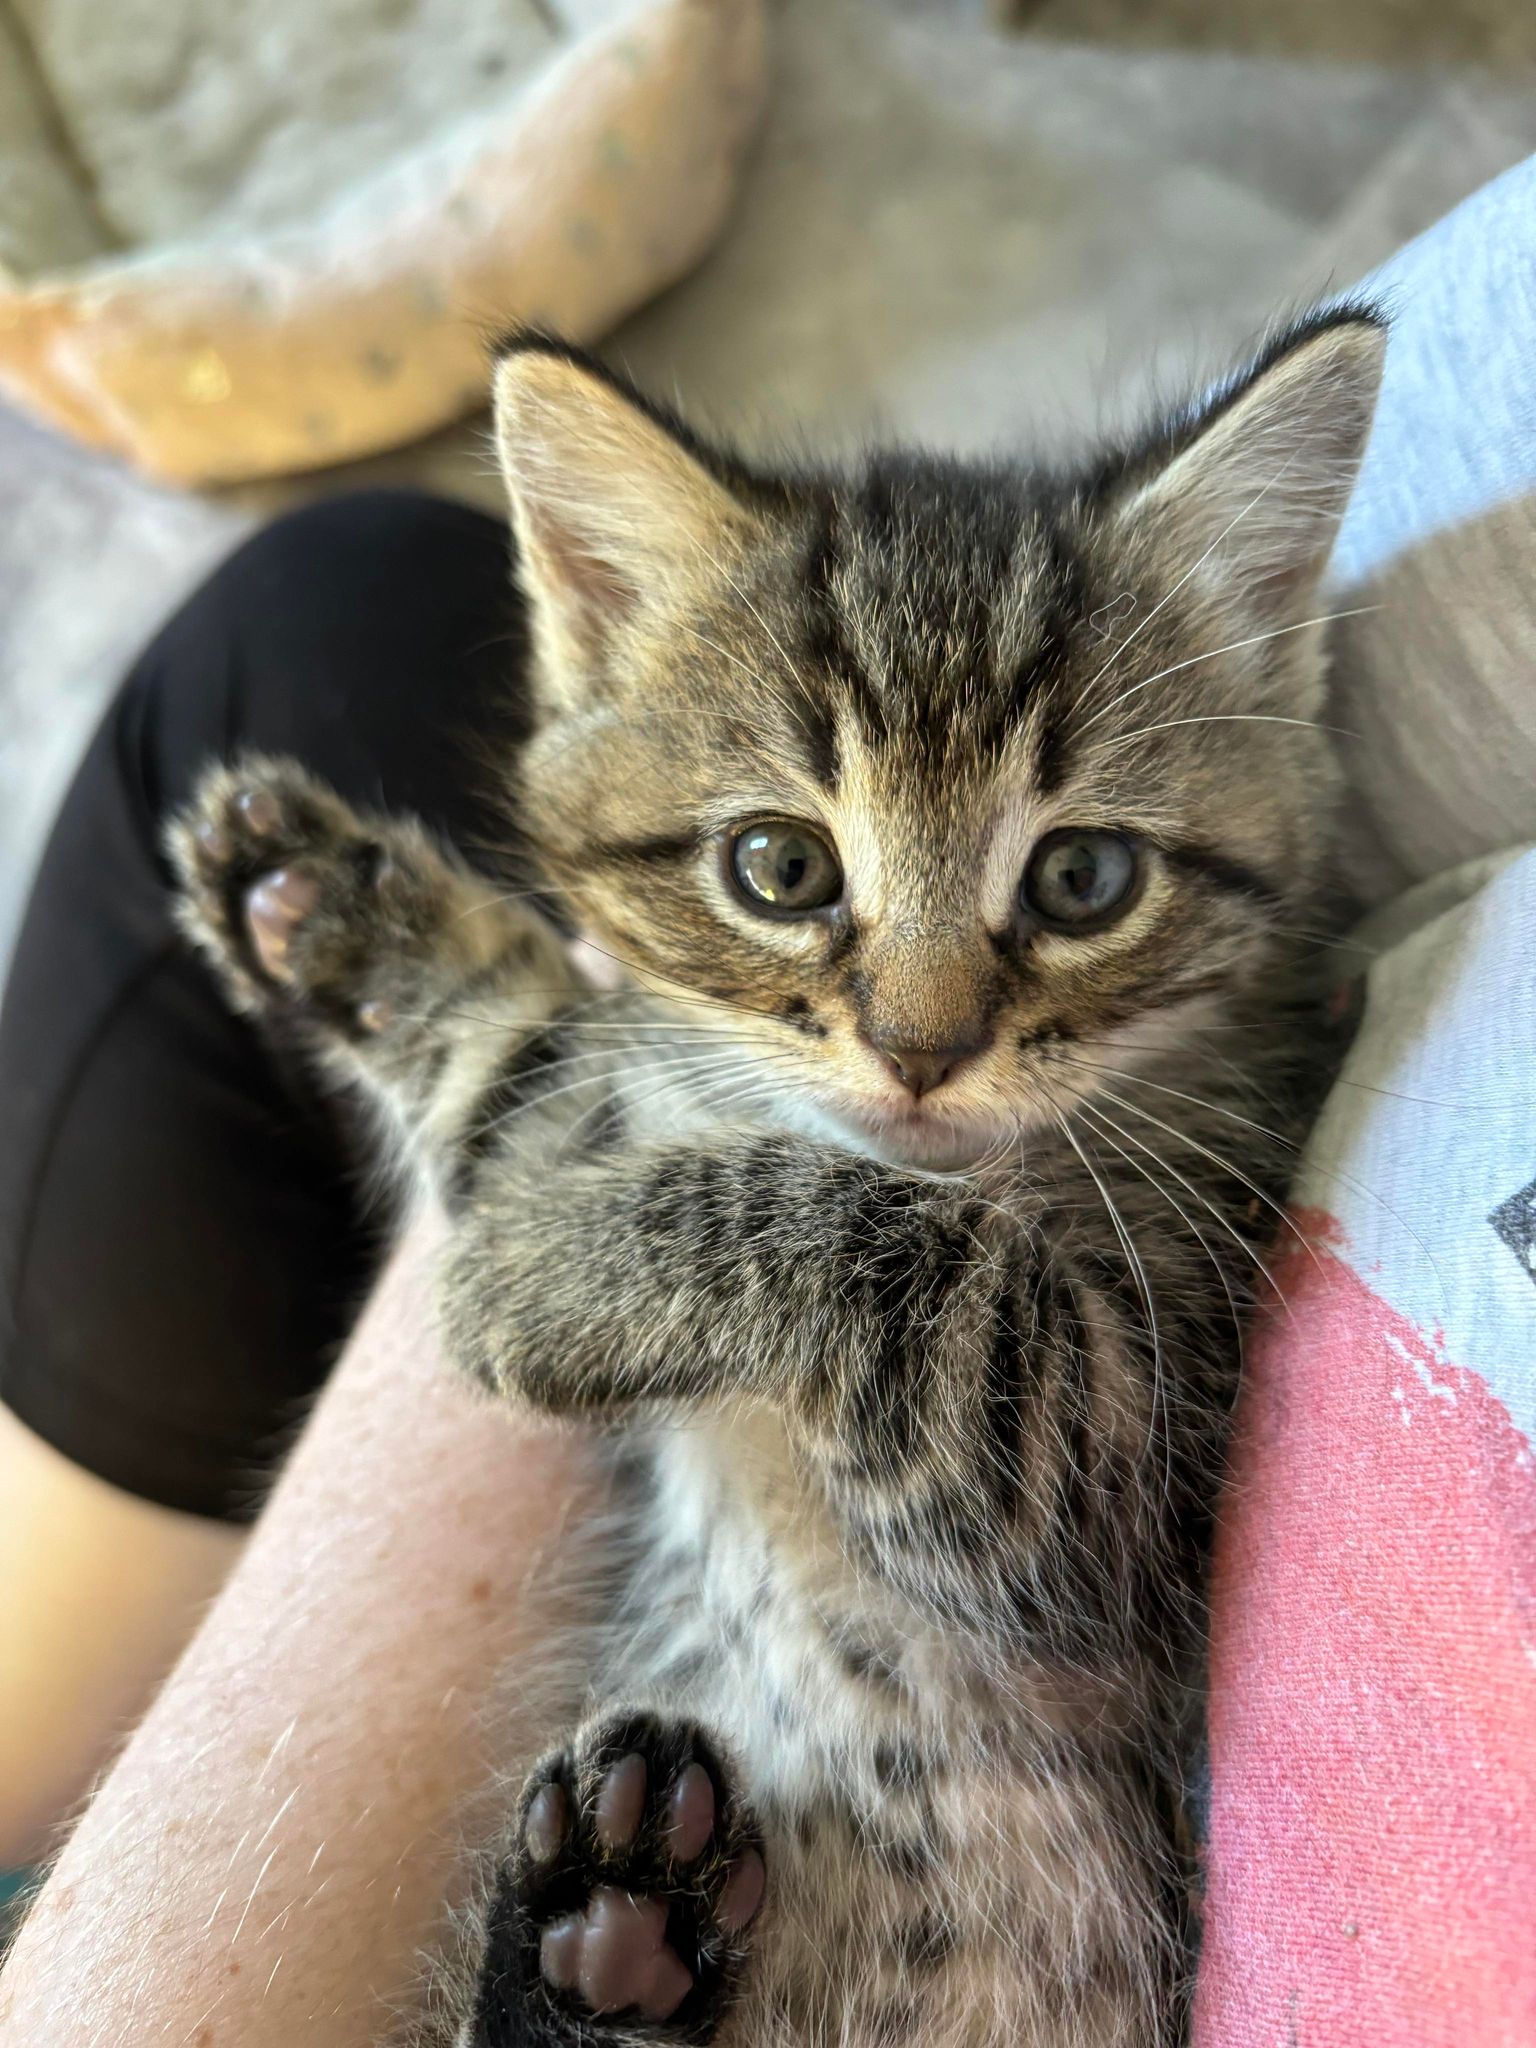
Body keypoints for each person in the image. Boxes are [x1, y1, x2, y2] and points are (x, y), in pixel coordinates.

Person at [2, 157, 1534, 2043]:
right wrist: (440, 1006)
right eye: (789, 873)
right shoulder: (782, 1048)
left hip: (986, 1932)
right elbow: (571, 1240)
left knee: (319, 624)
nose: (920, 1025)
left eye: (1073, 886)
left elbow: (1037, 1555)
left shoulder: (1183, 1155)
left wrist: (780, 1247)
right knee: (344, 623)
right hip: (748, 1836)